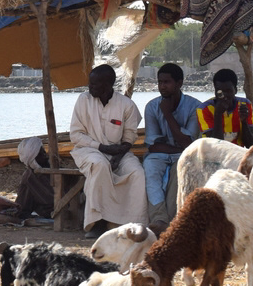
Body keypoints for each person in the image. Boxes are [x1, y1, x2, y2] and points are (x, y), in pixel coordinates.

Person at [69, 64, 146, 235]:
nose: (90, 88)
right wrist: (102, 147)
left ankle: (133, 223)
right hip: (88, 150)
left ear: (107, 85)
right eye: (90, 84)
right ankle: (98, 222)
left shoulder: (126, 105)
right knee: (99, 165)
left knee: (137, 173)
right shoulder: (83, 100)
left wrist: (118, 156)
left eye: (94, 84)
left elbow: (129, 137)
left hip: (120, 152)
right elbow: (75, 135)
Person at [142, 63, 203, 230]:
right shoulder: (152, 107)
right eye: (160, 82)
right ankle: (159, 219)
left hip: (184, 155)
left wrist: (167, 114)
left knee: (180, 173)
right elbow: (154, 146)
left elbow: (188, 144)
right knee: (151, 170)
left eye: (167, 82)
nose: (162, 86)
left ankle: (170, 221)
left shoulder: (194, 107)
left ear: (179, 83)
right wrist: (181, 147)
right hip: (159, 155)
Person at [195, 67, 253, 147]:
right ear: (215, 90)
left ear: (235, 90)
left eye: (228, 91)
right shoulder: (204, 109)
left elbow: (249, 144)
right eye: (219, 92)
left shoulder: (245, 104)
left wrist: (244, 122)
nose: (224, 96)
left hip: (239, 154)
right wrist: (218, 114)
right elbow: (215, 146)